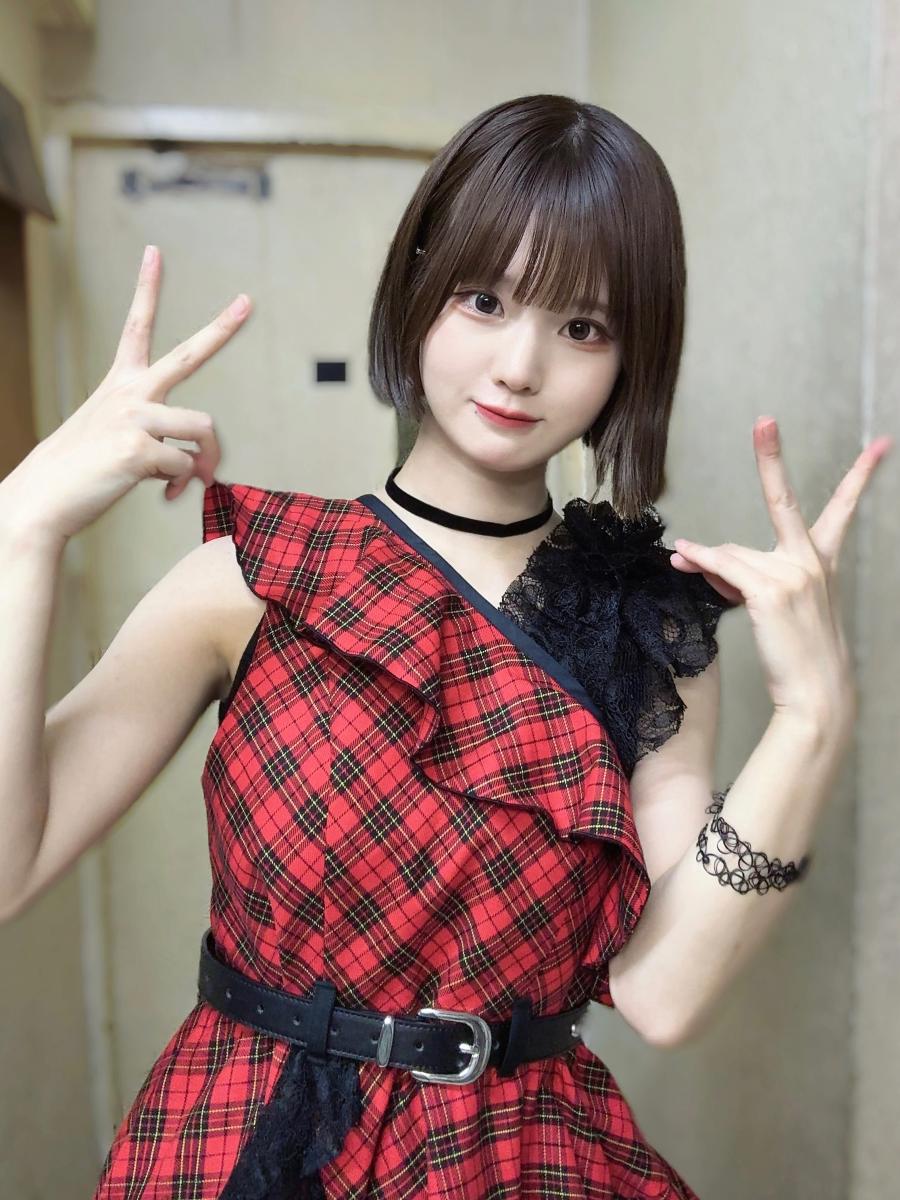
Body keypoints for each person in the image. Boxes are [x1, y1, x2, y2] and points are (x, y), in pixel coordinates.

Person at [0, 93, 887, 1199]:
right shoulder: (251, 579)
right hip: (256, 1140)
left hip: (518, 1158)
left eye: (583, 328)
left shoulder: (644, 627)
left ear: (631, 358)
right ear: (418, 291)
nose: (520, 365)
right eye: (485, 300)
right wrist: (21, 529)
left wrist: (813, 719)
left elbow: (663, 995)